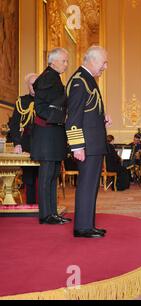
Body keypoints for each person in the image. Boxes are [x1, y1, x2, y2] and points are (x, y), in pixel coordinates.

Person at [66, 46, 112, 238]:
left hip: (93, 143)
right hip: (86, 145)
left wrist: (102, 118)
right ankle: (83, 227)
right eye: (104, 62)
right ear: (92, 61)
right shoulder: (79, 81)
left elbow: (88, 112)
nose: (105, 66)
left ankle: (87, 224)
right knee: (86, 184)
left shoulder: (88, 80)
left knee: (91, 185)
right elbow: (73, 117)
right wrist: (77, 146)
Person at [31, 48, 71, 225]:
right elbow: (41, 108)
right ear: (53, 61)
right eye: (64, 61)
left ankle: (52, 213)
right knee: (47, 175)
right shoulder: (48, 77)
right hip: (47, 134)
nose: (66, 64)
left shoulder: (54, 77)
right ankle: (46, 215)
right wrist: (61, 117)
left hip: (53, 133)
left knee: (53, 173)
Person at [9, 73, 39, 204]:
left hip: (44, 143)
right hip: (27, 143)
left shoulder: (46, 100)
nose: (35, 87)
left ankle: (46, 208)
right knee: (29, 178)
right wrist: (17, 143)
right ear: (28, 86)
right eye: (32, 84)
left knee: (45, 177)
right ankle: (31, 205)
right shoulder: (21, 101)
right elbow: (14, 124)